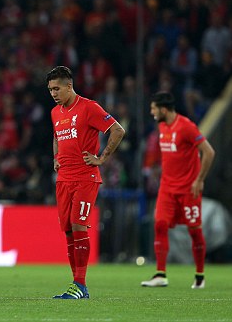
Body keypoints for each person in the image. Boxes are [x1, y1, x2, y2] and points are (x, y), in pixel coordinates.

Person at [47, 66, 125, 299]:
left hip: (85, 177)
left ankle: (80, 284)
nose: (53, 93)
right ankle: (76, 285)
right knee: (69, 231)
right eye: (50, 89)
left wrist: (102, 158)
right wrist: (55, 157)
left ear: (69, 85)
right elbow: (56, 135)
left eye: (57, 88)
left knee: (78, 225)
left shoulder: (89, 107)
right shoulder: (55, 112)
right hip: (64, 179)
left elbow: (117, 130)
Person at [141, 92, 215, 289]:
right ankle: (160, 274)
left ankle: (199, 275)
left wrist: (199, 180)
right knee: (160, 224)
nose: (152, 112)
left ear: (164, 110)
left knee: (194, 230)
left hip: (188, 188)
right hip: (167, 187)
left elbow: (208, 151)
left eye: (154, 108)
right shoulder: (162, 125)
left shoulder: (186, 126)